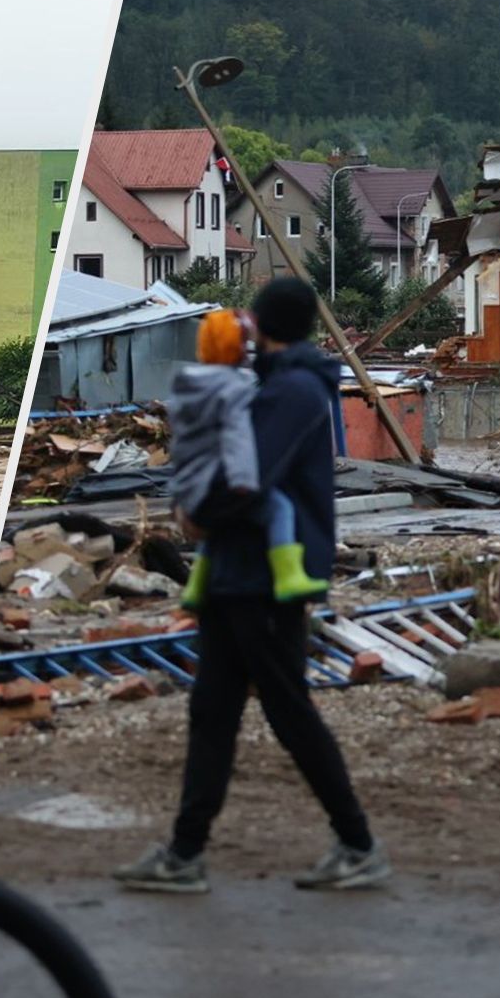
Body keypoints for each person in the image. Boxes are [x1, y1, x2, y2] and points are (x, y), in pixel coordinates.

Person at [113, 277, 387, 894]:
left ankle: (358, 845)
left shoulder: (293, 390)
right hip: (236, 572)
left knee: (288, 709)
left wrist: (197, 514)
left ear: (263, 325)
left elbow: (251, 474)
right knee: (212, 710)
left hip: (266, 578)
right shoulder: (272, 382)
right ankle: (185, 855)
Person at [168, 308, 329, 609]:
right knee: (279, 508)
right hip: (222, 480)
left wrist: (178, 491)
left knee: (215, 528)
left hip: (190, 485)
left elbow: (180, 443)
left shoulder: (185, 387)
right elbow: (237, 436)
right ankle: (288, 577)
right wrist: (243, 481)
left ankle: (195, 588)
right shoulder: (235, 388)